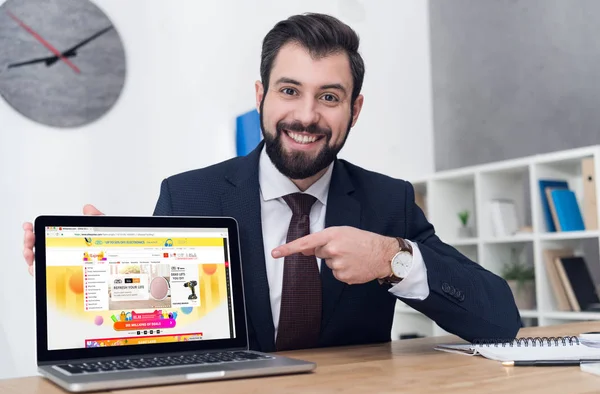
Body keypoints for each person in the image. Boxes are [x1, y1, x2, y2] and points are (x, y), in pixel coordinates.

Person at [23, 13, 521, 352]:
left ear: (355, 109)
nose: (306, 116)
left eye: (329, 96)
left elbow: (498, 320)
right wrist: (99, 276)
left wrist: (392, 259)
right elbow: (158, 330)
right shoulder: (189, 196)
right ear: (261, 95)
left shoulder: (388, 201)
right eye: (289, 91)